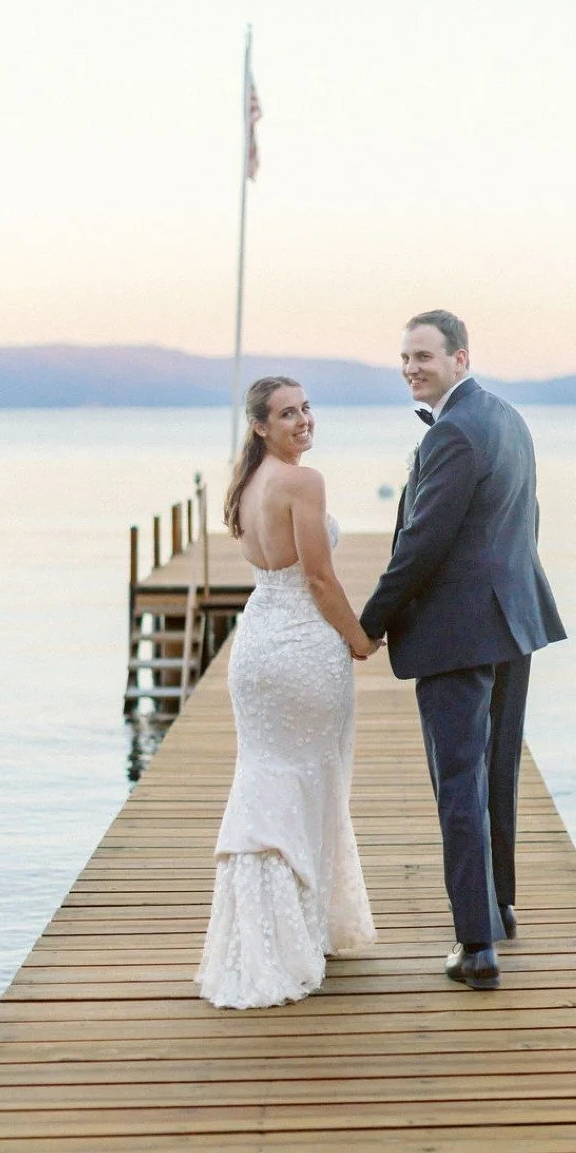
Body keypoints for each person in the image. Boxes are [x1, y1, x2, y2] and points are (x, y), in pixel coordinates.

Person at [360, 311, 566, 990]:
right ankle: (498, 908)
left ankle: (475, 947)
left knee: (459, 785)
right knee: (495, 773)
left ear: (460, 357)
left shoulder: (453, 432)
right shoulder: (508, 417)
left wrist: (371, 622)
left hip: (460, 634)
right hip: (513, 622)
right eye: (404, 357)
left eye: (423, 355)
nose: (411, 367)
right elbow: (527, 520)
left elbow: (423, 543)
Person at [196, 376, 379, 1009]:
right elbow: (321, 581)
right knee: (309, 780)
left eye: (306, 408)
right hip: (302, 647)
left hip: (257, 644)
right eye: (286, 413)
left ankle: (278, 929)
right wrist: (361, 640)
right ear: (260, 426)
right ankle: (289, 935)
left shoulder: (247, 484)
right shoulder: (303, 482)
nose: (303, 420)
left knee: (266, 777)